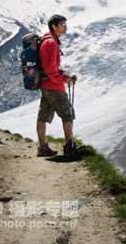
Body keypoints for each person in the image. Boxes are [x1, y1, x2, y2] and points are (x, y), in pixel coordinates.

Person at [36, 14, 78, 157]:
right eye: (62, 24)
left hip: (46, 85)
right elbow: (50, 70)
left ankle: (42, 148)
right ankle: (69, 147)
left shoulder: (47, 40)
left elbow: (50, 68)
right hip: (54, 87)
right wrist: (62, 80)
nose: (65, 27)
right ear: (54, 26)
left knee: (43, 116)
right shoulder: (51, 43)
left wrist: (65, 77)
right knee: (68, 115)